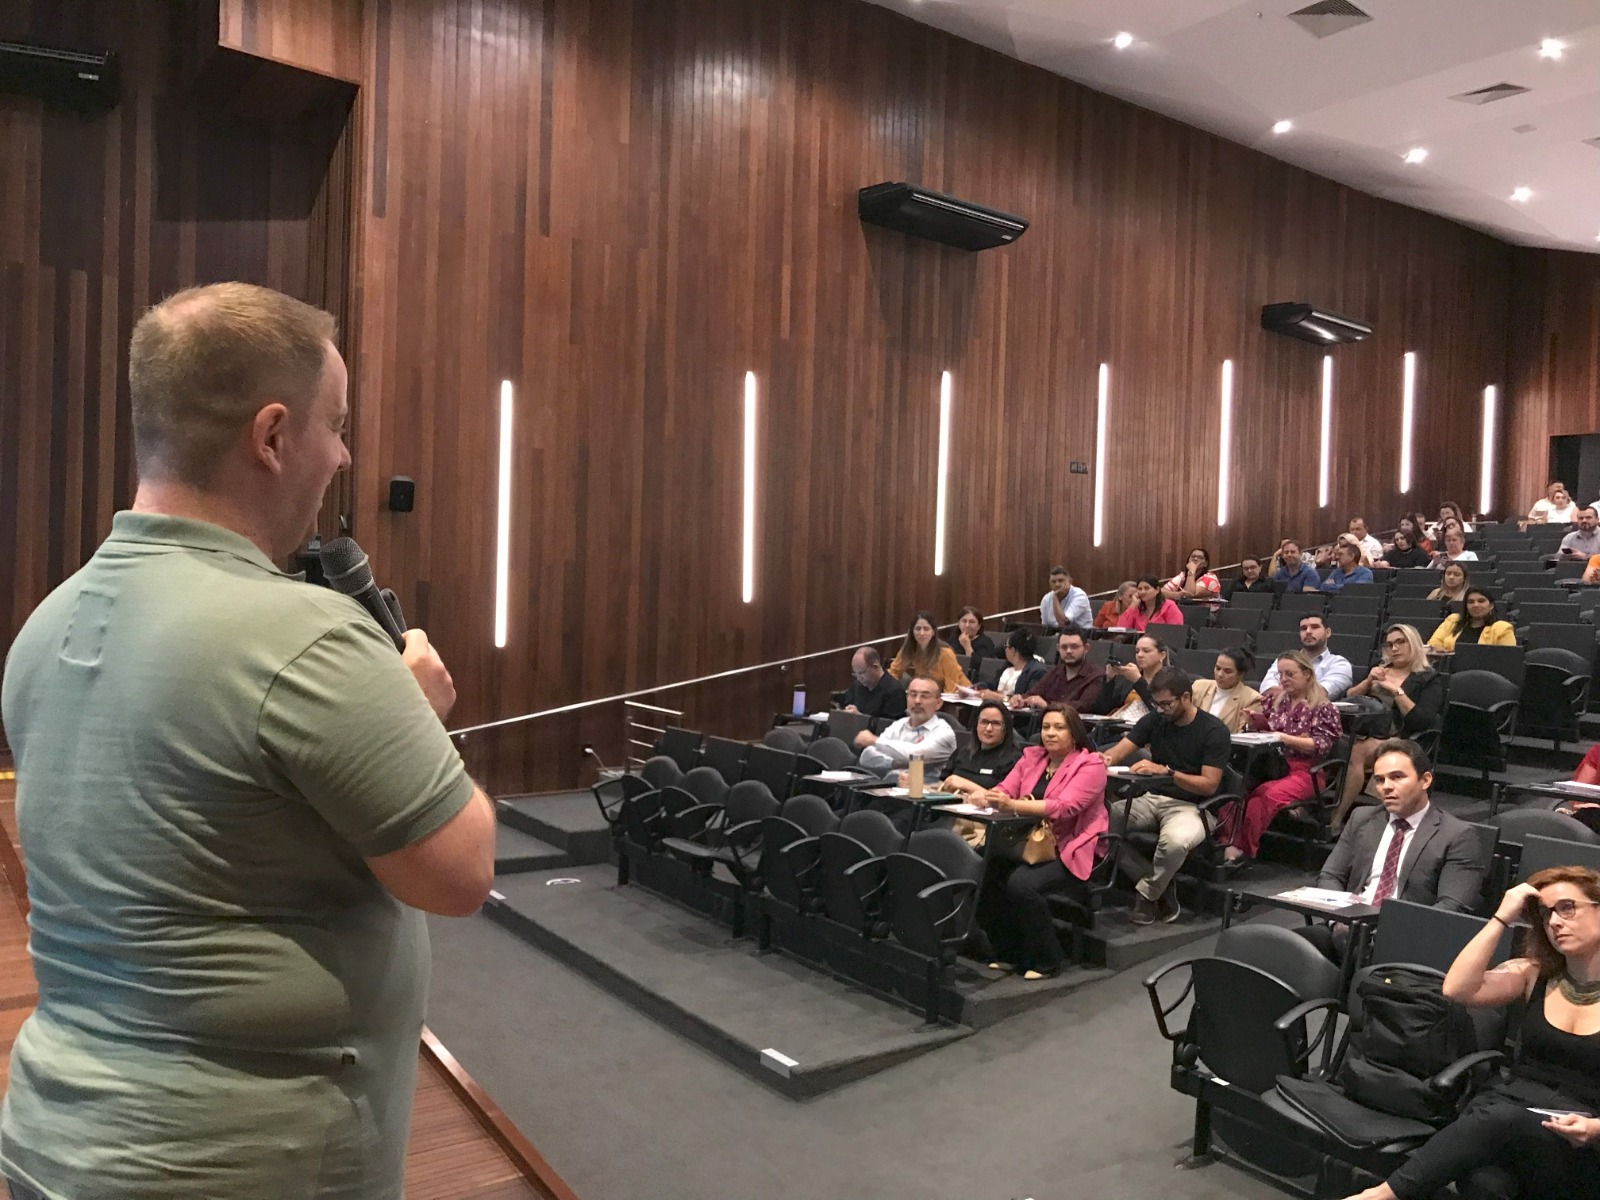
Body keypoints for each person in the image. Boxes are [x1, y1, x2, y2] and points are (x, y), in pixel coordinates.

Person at [0, 283, 496, 1200]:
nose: (344, 455)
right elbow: (460, 873)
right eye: (336, 426)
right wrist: (414, 711)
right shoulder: (304, 636)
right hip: (238, 1166)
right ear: (272, 437)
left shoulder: (47, 624)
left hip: (55, 1140)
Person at [1340, 866, 1600, 1200]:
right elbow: (1457, 989)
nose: (1554, 922)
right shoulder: (1533, 974)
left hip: (1578, 1135)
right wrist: (1501, 919)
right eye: (1544, 914)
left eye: (1567, 907)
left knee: (1496, 1119)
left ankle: (1380, 1196)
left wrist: (1595, 1132)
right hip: (1512, 1116)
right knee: (1485, 1183)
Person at [975, 704, 1108, 980]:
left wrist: (1012, 804)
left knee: (1022, 884)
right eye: (1046, 727)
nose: (1050, 733)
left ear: (1074, 733)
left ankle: (1048, 958)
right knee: (984, 872)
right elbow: (1006, 788)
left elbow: (1064, 808)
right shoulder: (1032, 757)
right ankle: (1009, 953)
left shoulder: (1091, 765)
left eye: (1059, 727)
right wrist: (992, 796)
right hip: (1028, 840)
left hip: (1072, 846)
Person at [1101, 668, 1233, 924]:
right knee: (1102, 822)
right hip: (1153, 798)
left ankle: (1148, 894)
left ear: (1185, 697)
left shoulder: (1214, 731)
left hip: (1195, 806)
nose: (1160, 710)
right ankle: (1158, 883)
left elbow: (1209, 785)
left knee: (1174, 842)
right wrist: (1098, 760)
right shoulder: (1155, 720)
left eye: (1166, 704)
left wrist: (1169, 773)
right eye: (1156, 704)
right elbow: (1118, 752)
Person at [1314, 739, 1487, 911]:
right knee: (1292, 937)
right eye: (1380, 780)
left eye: (1397, 777)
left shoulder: (1457, 835)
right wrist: (1340, 921)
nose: (1386, 787)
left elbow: (1451, 906)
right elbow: (1330, 875)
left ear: (1425, 780)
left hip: (1409, 931)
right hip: (1350, 924)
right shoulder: (1362, 818)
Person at [1216, 651, 1342, 864]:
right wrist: (1254, 724)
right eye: (1281, 674)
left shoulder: (1323, 708)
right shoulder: (1275, 700)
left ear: (1308, 675)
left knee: (1264, 795)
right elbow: (1266, 731)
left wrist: (1283, 738)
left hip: (1305, 770)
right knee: (1234, 786)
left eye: (1290, 674)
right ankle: (1225, 840)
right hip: (1271, 764)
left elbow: (1320, 745)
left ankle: (1241, 848)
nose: (1284, 679)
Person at [1336, 625, 1445, 830]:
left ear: (1413, 643)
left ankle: (1336, 818)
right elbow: (1349, 698)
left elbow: (1423, 720)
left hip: (1400, 735)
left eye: (1400, 642)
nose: (1394, 648)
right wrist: (1369, 680)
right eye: (1390, 644)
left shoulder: (1428, 678)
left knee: (1356, 751)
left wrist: (1397, 692)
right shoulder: (1380, 669)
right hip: (1364, 729)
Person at [855, 676, 957, 773]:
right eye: (913, 694)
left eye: (925, 696)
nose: (917, 701)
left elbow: (917, 755)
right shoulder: (899, 724)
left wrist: (874, 741)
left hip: (923, 788)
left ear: (938, 703)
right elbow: (866, 757)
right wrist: (896, 763)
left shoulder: (944, 733)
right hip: (888, 785)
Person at [921, 701, 1021, 800]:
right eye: (984, 722)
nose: (989, 728)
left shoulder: (1014, 760)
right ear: (976, 725)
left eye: (996, 724)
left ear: (1006, 728)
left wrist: (966, 785)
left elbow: (1003, 801)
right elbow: (941, 782)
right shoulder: (963, 752)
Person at [1260, 614, 1353, 700]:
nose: (1308, 632)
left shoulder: (1339, 664)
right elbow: (1266, 690)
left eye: (1315, 627)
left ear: (1328, 632)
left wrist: (1284, 693)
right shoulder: (1285, 660)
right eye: (1304, 628)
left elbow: (1319, 694)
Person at [1017, 627, 1103, 712]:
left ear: (1086, 648)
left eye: (1074, 647)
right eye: (1064, 647)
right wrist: (1021, 700)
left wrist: (1048, 706)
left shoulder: (1096, 675)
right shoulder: (1054, 672)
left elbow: (1084, 705)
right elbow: (1032, 694)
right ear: (1058, 648)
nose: (1068, 651)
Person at [887, 611, 970, 693]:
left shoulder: (945, 653)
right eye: (918, 629)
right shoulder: (907, 650)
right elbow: (893, 672)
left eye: (926, 629)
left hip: (958, 695)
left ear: (933, 632)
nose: (921, 633)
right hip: (926, 694)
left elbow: (952, 685)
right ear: (912, 632)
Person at [1190, 648, 1262, 733]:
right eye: (1218, 668)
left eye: (1228, 671)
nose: (1220, 674)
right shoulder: (1198, 687)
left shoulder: (1251, 699)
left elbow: (1243, 737)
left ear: (1240, 674)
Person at [1427, 587, 1516, 653]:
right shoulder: (1453, 620)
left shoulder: (1502, 628)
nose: (1476, 605)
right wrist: (1439, 649)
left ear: (1491, 606)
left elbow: (1506, 659)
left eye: (1481, 601)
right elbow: (1433, 643)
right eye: (1471, 602)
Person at [978, 629, 1047, 704]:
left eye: (1006, 647)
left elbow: (1028, 698)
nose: (1005, 650)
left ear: (1013, 651)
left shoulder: (1037, 671)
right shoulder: (1008, 667)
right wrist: (974, 689)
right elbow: (990, 684)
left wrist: (999, 697)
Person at [840, 646, 907, 720]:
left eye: (861, 673)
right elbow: (845, 705)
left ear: (875, 666)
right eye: (855, 674)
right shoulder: (857, 686)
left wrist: (860, 718)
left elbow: (891, 726)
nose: (858, 678)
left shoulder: (895, 691)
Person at [1039, 565, 1092, 631]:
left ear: (1070, 582)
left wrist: (1055, 597)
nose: (1057, 584)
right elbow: (1045, 627)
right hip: (1056, 635)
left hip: (1080, 635)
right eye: (1053, 582)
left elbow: (1063, 623)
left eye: (1061, 580)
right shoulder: (1046, 599)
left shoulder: (1080, 596)